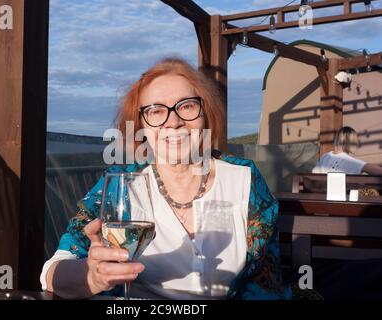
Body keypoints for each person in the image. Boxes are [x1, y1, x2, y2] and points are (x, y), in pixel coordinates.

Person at [40, 57, 292, 300]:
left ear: (206, 113)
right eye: (156, 111)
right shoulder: (121, 185)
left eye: (187, 106)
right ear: (140, 125)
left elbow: (265, 284)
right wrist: (93, 278)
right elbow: (53, 272)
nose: (173, 121)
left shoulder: (245, 179)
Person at [312, 126, 382, 175]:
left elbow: (314, 173)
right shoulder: (350, 161)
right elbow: (375, 170)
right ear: (351, 141)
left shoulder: (325, 156)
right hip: (343, 195)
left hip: (321, 195)